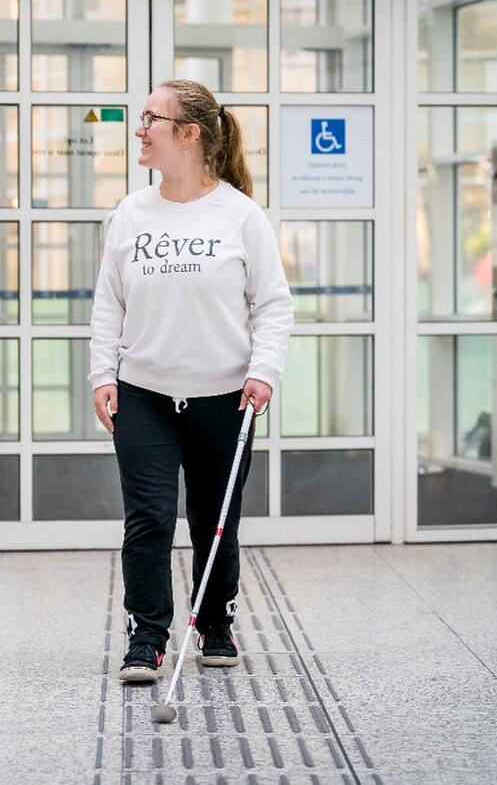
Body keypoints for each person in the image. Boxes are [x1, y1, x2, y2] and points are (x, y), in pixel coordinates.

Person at [88, 79, 293, 683]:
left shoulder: (239, 214)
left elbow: (273, 304)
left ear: (190, 134)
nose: (139, 129)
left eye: (152, 118)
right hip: (144, 394)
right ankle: (146, 635)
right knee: (148, 518)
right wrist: (103, 372)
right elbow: (109, 304)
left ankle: (214, 624)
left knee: (214, 518)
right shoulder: (131, 213)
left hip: (226, 398)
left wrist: (263, 371)